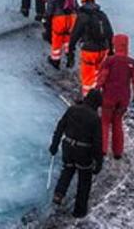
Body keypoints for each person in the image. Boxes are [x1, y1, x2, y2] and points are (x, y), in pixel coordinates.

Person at [49, 89, 104, 218]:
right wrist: (99, 162)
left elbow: (60, 127)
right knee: (84, 181)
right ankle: (79, 211)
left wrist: (54, 145)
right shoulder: (95, 118)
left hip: (67, 147)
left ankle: (59, 194)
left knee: (67, 170)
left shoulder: (72, 109)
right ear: (97, 103)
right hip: (84, 152)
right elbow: (97, 143)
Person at [95, 33, 134, 159]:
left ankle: (102, 149)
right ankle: (118, 152)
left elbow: (102, 77)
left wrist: (96, 89)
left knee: (104, 122)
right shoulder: (131, 63)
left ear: (115, 45)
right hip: (123, 98)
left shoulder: (110, 61)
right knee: (117, 123)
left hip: (109, 96)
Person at [66, 0, 113, 97]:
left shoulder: (82, 16)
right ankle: (99, 94)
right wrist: (110, 50)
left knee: (88, 77)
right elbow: (110, 32)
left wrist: (71, 50)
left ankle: (88, 100)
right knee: (99, 73)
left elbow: (75, 35)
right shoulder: (102, 14)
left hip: (89, 50)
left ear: (83, 2)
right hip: (103, 49)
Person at [43, 0, 78, 67]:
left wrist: (46, 18)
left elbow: (50, 8)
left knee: (57, 39)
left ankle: (55, 60)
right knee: (68, 37)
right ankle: (70, 55)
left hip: (59, 19)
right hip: (71, 17)